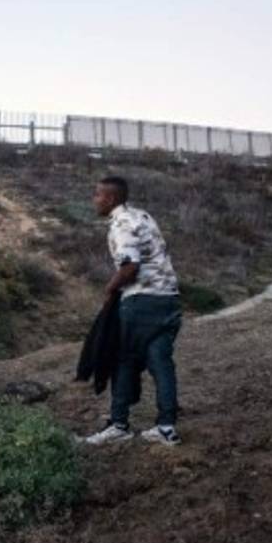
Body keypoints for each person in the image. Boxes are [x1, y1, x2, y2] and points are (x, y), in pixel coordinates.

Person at [82, 176, 183, 446]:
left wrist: (109, 290)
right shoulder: (143, 216)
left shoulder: (121, 224)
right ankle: (166, 426)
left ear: (111, 199)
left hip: (142, 301)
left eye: (98, 195)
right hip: (169, 299)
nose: (95, 200)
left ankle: (119, 424)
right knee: (161, 361)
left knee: (122, 359)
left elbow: (130, 266)